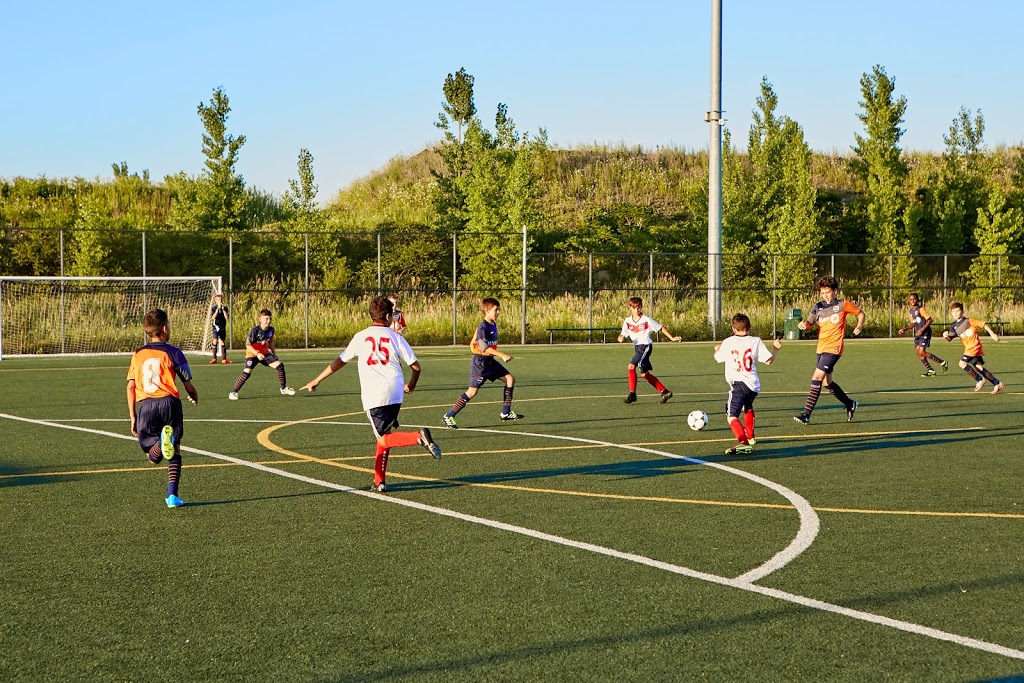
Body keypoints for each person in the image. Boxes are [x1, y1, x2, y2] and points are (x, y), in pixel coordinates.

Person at [300, 296, 441, 492]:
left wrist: (317, 380)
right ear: (388, 316)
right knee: (383, 435)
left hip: (375, 394)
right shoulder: (396, 337)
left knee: (383, 438)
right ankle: (379, 481)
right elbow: (416, 367)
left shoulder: (360, 336)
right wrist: (411, 385)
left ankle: (418, 437)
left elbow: (340, 361)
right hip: (396, 390)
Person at [126, 308, 199, 508]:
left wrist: (133, 416)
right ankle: (172, 495)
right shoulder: (174, 352)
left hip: (147, 406)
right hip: (170, 403)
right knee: (174, 449)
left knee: (153, 457)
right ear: (165, 329)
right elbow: (187, 382)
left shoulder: (138, 355)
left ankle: (160, 443)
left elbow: (131, 386)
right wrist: (193, 394)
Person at [793, 276, 865, 425]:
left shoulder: (842, 304)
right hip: (821, 348)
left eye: (828, 292)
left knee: (817, 377)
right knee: (826, 382)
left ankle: (806, 414)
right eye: (822, 292)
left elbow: (860, 313)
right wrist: (803, 325)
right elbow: (809, 324)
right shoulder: (817, 307)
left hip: (834, 348)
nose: (825, 295)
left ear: (835, 291)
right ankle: (850, 404)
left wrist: (859, 326)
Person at [442, 297, 522, 428]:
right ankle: (449, 415)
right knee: (472, 392)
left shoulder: (493, 324)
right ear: (487, 310)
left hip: (489, 361)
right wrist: (502, 354)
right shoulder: (483, 327)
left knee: (510, 379)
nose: (498, 313)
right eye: (496, 310)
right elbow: (483, 346)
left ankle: (505, 413)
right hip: (480, 364)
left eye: (498, 310)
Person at [713, 314, 782, 454]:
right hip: (753, 385)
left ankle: (743, 442)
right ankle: (750, 437)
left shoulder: (728, 341)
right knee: (747, 406)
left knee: (731, 416)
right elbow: (768, 361)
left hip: (738, 385)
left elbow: (717, 358)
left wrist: (717, 350)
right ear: (749, 328)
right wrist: (776, 349)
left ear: (733, 328)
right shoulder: (756, 341)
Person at [617, 296, 681, 404]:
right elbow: (622, 334)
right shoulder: (627, 321)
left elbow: (660, 327)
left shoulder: (646, 320)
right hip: (637, 348)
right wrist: (620, 338)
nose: (637, 310)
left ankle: (632, 394)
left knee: (631, 366)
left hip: (645, 346)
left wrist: (671, 338)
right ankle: (665, 392)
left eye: (639, 307)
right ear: (630, 308)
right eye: (635, 308)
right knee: (644, 374)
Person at [229, 309, 295, 399]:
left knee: (280, 366)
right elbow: (248, 345)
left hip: (264, 353)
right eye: (266, 318)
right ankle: (233, 392)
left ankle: (283, 389)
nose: (268, 321)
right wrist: (257, 353)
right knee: (246, 373)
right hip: (252, 354)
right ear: (260, 319)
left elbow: (271, 342)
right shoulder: (254, 331)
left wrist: (274, 354)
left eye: (270, 319)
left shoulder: (271, 330)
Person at [942, 302, 1004, 394]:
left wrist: (992, 334)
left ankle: (979, 379)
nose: (955, 313)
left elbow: (983, 324)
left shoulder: (969, 321)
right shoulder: (954, 326)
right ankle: (997, 383)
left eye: (957, 311)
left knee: (962, 363)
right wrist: (945, 335)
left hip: (974, 346)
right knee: (978, 367)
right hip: (969, 347)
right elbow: (949, 338)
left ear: (962, 312)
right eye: (953, 312)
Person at [896, 292, 946, 377]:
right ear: (909, 301)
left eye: (914, 299)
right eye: (911, 299)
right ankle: (931, 370)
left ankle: (942, 362)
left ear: (917, 300)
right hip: (918, 334)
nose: (913, 301)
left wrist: (922, 329)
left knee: (922, 351)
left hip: (925, 332)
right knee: (918, 352)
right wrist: (904, 329)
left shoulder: (921, 309)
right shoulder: (911, 311)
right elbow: (913, 323)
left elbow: (930, 320)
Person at [209, 293, 232, 364]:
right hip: (216, 326)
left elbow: (227, 317)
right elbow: (213, 318)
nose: (220, 301)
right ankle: (214, 358)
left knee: (222, 342)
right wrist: (217, 310)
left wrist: (223, 309)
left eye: (221, 300)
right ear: (215, 301)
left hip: (222, 327)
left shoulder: (225, 308)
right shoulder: (213, 308)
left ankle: (224, 359)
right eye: (218, 300)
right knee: (215, 341)